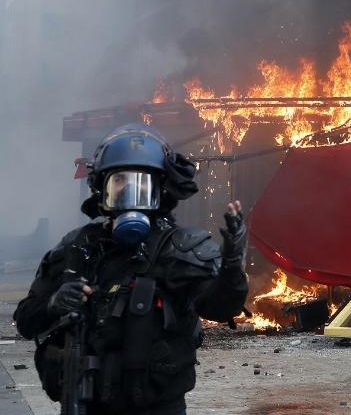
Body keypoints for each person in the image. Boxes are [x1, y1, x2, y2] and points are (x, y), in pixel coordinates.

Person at [14, 124, 249, 414]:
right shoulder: (78, 249)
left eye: (142, 187)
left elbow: (222, 306)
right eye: (120, 185)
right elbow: (25, 320)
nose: (130, 197)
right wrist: (53, 303)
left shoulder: (179, 248)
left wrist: (231, 263)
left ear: (160, 193)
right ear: (102, 191)